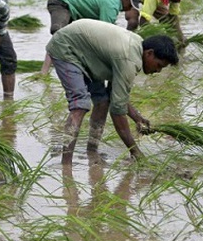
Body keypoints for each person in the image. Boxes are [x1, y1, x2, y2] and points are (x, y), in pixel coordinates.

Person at [45, 19, 178, 164]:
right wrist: (135, 151)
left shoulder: (137, 47)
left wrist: (137, 118)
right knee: (80, 105)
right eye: (158, 65)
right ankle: (66, 164)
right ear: (149, 53)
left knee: (103, 102)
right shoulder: (129, 59)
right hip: (66, 47)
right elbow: (117, 111)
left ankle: (91, 151)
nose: (157, 71)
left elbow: (118, 96)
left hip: (87, 52)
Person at [41, 0, 143, 74]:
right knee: (58, 34)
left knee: (70, 40)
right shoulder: (112, 4)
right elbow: (104, 35)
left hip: (74, 9)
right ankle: (44, 72)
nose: (129, 8)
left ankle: (66, 68)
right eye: (130, 4)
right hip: (61, 2)